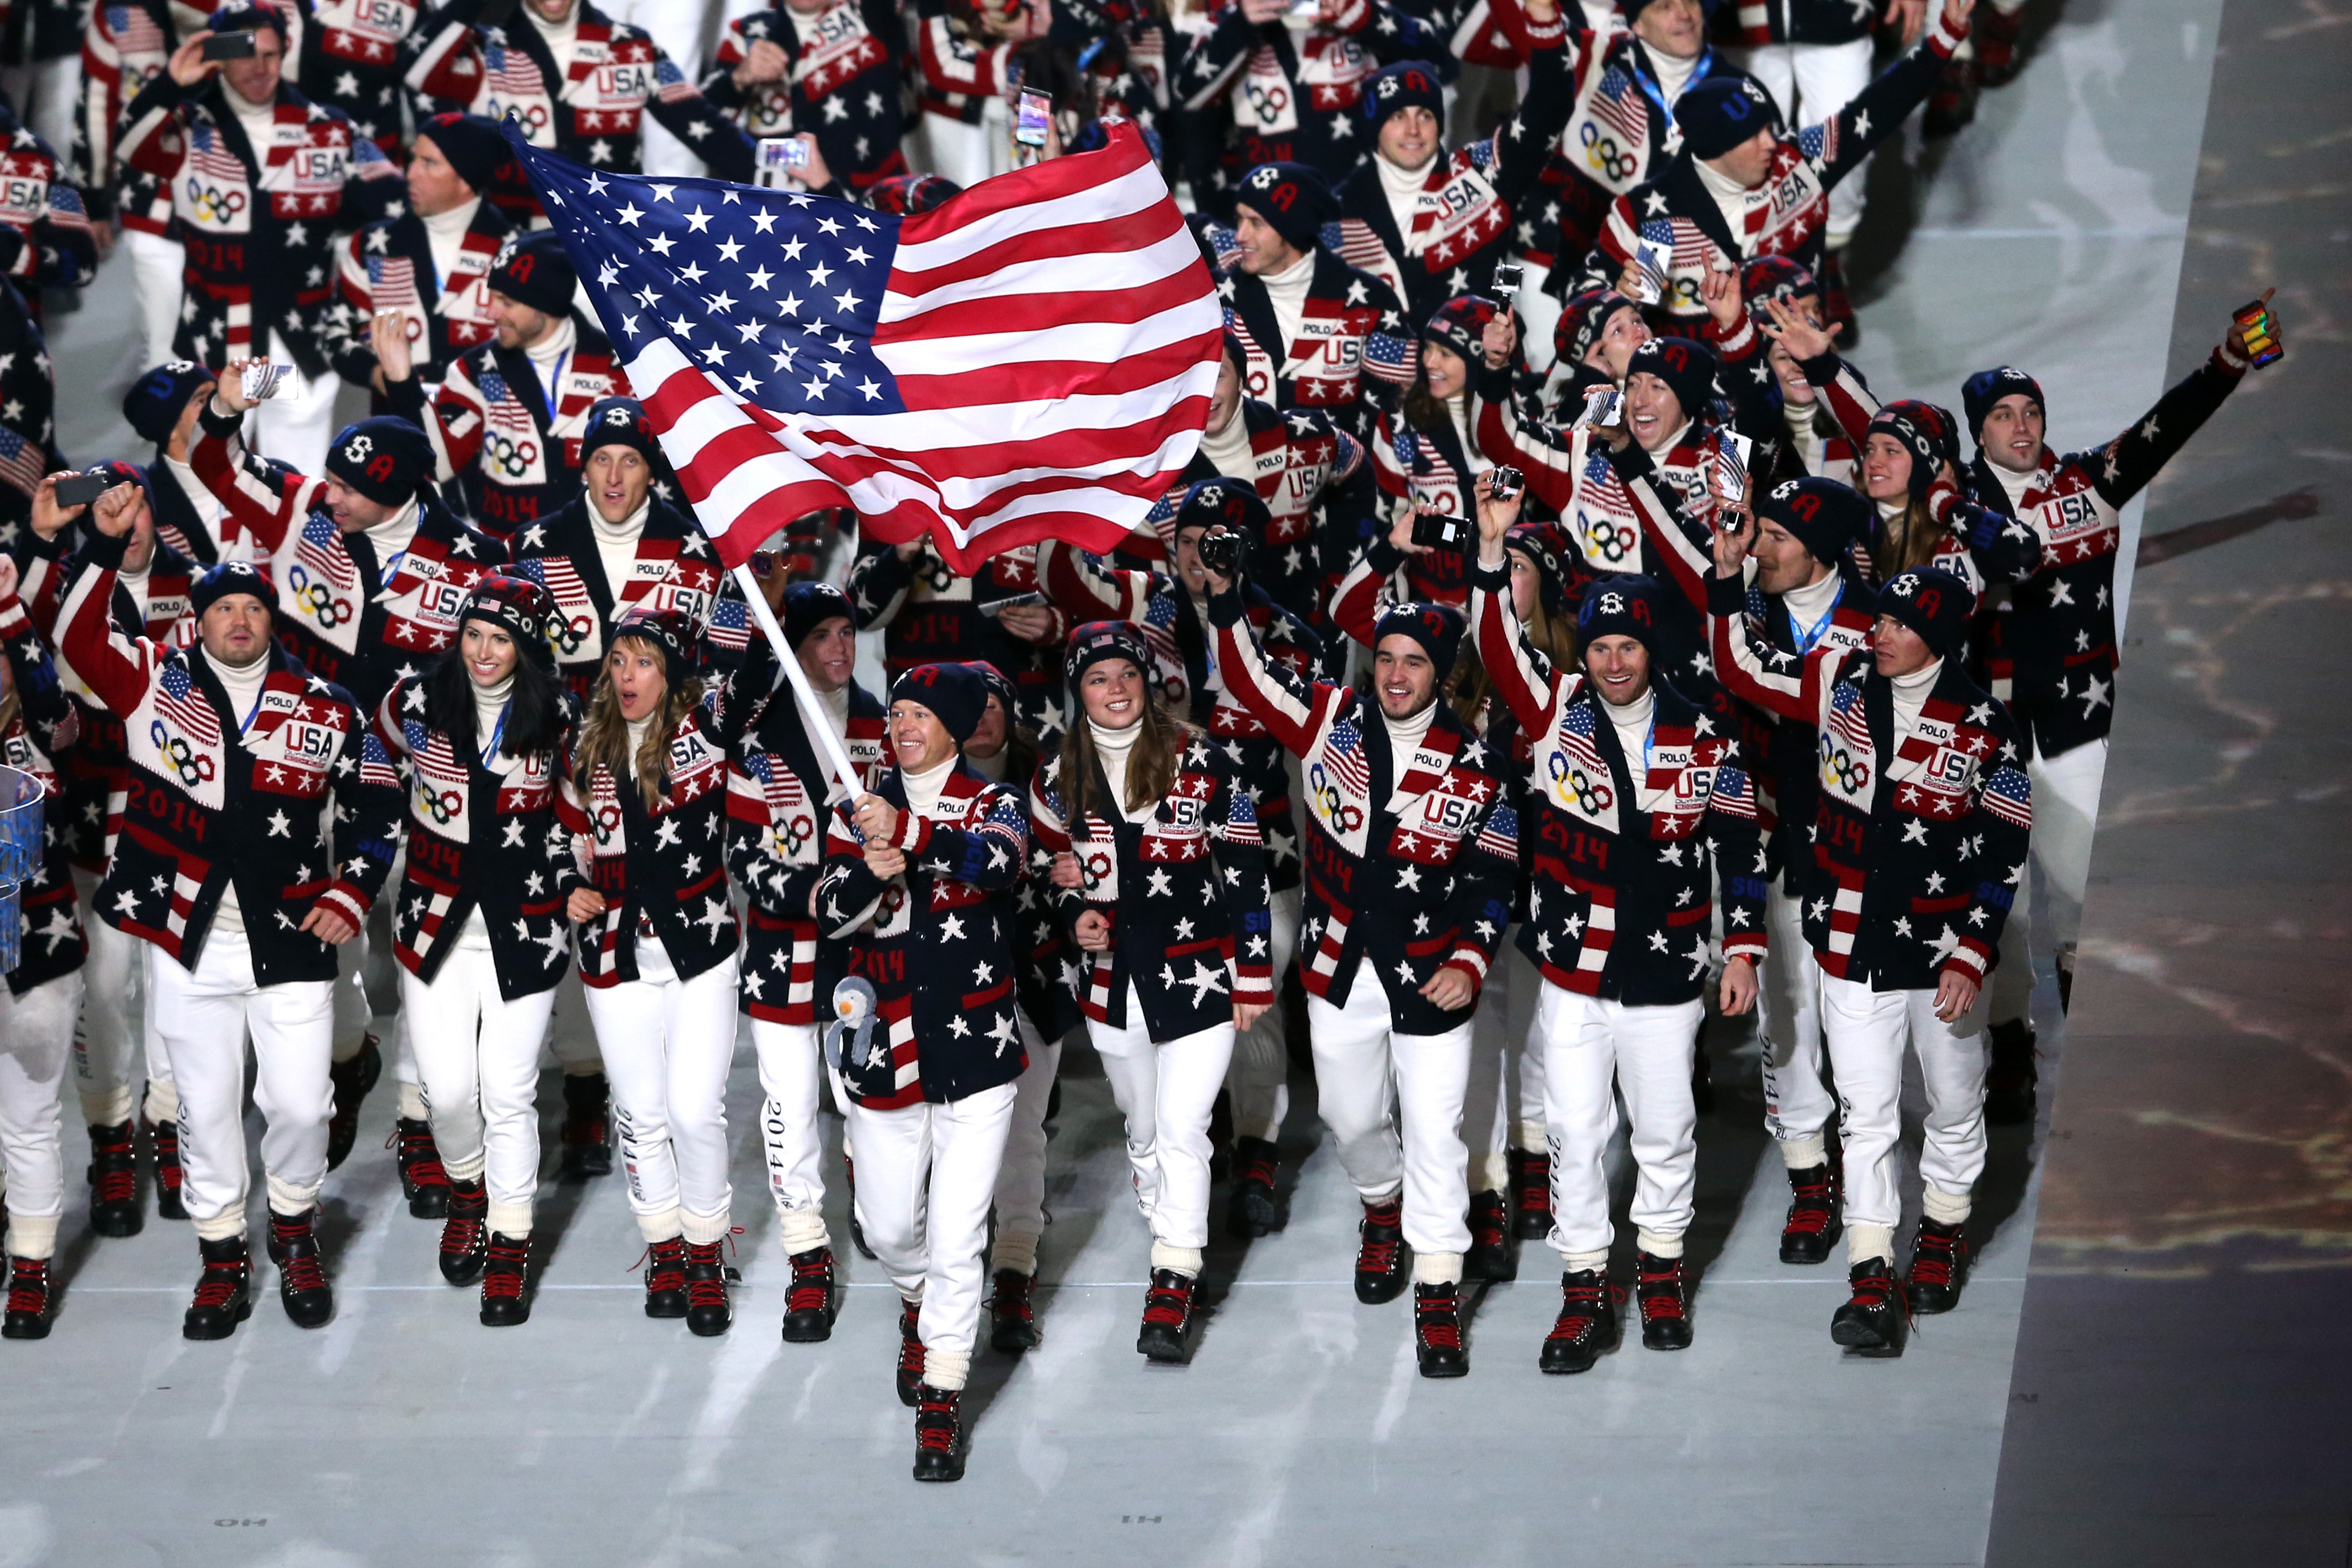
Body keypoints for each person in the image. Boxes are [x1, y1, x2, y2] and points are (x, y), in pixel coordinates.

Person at [58, 485, 401, 1341]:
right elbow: (73, 638)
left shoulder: (326, 705)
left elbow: (380, 808)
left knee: (299, 1106)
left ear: (270, 619)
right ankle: (221, 1257)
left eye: (253, 607)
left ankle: (293, 1229)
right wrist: (100, 551)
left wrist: (350, 889)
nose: (239, 620)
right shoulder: (151, 683)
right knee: (203, 1111)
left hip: (290, 941)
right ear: (200, 621)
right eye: (224, 608)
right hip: (186, 941)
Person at [191, 374, 511, 1214]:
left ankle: (414, 1113)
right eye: (329, 479)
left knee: (422, 946)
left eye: (347, 487)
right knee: (321, 926)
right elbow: (215, 460)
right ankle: (346, 1056)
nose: (325, 494)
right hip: (301, 779)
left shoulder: (475, 560)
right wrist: (230, 403)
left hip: (425, 785)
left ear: (396, 490)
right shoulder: (305, 512)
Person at [1466, 471, 1766, 1369]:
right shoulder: (1555, 710)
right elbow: (1495, 643)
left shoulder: (1706, 730)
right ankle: (1584, 1288)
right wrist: (1490, 552)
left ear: (1648, 647)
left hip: (1669, 973)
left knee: (1667, 1128)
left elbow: (1743, 845)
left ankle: (1664, 1271)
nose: (1612, 661)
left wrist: (1744, 946)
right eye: (1598, 647)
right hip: (1569, 973)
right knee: (1575, 1132)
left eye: (1627, 646)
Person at [1707, 532, 2032, 1356]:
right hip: (1846, 944)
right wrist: (1722, 578)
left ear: (1936, 634)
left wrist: (1970, 951)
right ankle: (1869, 1264)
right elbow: (1743, 669)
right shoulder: (1836, 686)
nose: (1875, 633)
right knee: (1867, 1114)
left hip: (1943, 957)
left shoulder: (1984, 729)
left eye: (1894, 623)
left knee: (1954, 1103)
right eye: (1876, 619)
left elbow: (2003, 854)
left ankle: (1943, 1231)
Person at [1209, 542, 1517, 1377]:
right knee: (1350, 1121)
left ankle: (1437, 1293)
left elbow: (1496, 877)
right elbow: (1248, 680)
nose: (1392, 673)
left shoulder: (1480, 766)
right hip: (1338, 968)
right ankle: (1380, 1208)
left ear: (1442, 672)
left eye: (1412, 661)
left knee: (1436, 1133)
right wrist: (1228, 590)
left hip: (1431, 977)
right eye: (1383, 657)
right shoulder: (1328, 720)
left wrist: (1471, 959)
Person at [1960, 304, 2269, 1044]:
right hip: (1982, 740)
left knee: (2086, 896)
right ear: (1977, 430)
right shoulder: (1948, 507)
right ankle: (2007, 1042)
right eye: (2002, 415)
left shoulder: (2088, 484)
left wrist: (2228, 358)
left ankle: (2090, 1043)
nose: (2021, 425)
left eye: (2030, 410)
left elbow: (2166, 426)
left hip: (2076, 728)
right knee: (1997, 908)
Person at [1037, 478, 1325, 1239]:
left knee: (1253, 1017)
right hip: (1138, 866)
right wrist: (1068, 473)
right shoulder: (1143, 605)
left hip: (1257, 848)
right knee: (1162, 1088)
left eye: (1219, 539)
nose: (1201, 553)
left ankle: (1257, 1152)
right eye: (1188, 539)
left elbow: (1302, 731)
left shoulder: (1285, 633)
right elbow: (1064, 575)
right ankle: (1194, 1147)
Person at [1034, 620, 1273, 1361]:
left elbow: (1243, 868)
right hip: (1111, 985)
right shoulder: (1053, 772)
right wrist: (1077, 915)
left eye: (1127, 675)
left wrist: (1253, 972)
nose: (1115, 690)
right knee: (1142, 1130)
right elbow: (1051, 873)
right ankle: (1167, 1220)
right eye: (1098, 678)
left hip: (1197, 970)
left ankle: (1173, 1273)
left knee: (1180, 1126)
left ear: (1148, 681)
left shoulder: (1201, 759)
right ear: (1078, 691)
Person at [815, 660, 1031, 1480]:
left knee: (953, 1238)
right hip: (884, 1050)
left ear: (952, 727)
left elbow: (997, 867)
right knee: (889, 1229)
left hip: (975, 1048)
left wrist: (910, 838)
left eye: (918, 714)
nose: (902, 725)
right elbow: (824, 914)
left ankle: (941, 1398)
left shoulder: (994, 803)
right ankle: (915, 1304)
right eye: (895, 711)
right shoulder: (860, 806)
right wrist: (866, 877)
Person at [373, 573, 584, 1326]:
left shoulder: (560, 714)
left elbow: (575, 813)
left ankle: (508, 1241)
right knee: (448, 1092)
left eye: (500, 639)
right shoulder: (416, 701)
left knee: (508, 1090)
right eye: (473, 635)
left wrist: (574, 882)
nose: (484, 651)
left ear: (525, 647)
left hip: (523, 927)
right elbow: (376, 759)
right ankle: (469, 1186)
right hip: (433, 924)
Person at [560, 606, 774, 1336]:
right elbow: (556, 836)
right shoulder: (584, 744)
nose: (627, 676)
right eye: (618, 661)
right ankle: (666, 1251)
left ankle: (708, 1252)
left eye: (644, 662)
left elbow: (748, 681)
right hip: (612, 956)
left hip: (699, 954)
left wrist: (748, 598)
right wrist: (569, 885)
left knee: (693, 1111)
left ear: (673, 672)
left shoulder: (703, 734)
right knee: (642, 1114)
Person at [18, 466, 199, 1235]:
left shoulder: (196, 584)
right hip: (91, 828)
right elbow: (18, 622)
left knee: (176, 995)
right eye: (110, 510)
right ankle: (111, 1136)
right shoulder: (61, 588)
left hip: (177, 824)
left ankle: (171, 1129)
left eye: (135, 506)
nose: (127, 521)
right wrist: (45, 536)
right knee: (104, 989)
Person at [113, 2, 405, 475]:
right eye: (245, 54)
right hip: (216, 342)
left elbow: (398, 207)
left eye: (271, 54)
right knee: (215, 478)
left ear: (286, 53)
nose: (259, 67)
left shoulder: (328, 128)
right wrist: (171, 84)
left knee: (295, 479)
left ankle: (294, 555)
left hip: (298, 342)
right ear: (219, 58)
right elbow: (129, 147)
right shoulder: (188, 126)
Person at [1568, 0, 1972, 328]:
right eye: (1752, 135)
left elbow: (1877, 109)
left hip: (1785, 362)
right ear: (1712, 148)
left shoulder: (1794, 165)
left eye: (1767, 129)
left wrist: (1943, 41)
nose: (1773, 143)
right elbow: (1620, 324)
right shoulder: (1657, 219)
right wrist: (1626, 301)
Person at [725, 580, 886, 1343]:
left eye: (846, 633)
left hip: (865, 952)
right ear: (791, 646)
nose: (839, 649)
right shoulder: (758, 742)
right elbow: (745, 859)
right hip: (783, 954)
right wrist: (826, 890)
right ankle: (806, 1256)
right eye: (820, 636)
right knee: (788, 1108)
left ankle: (872, 1200)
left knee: (859, 1097)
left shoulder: (886, 731)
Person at [963, 660, 1079, 1353]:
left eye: (991, 705)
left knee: (1023, 1128)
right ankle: (944, 1265)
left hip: (1034, 976)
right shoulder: (913, 787)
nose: (980, 718)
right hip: (944, 989)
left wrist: (1073, 872)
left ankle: (1013, 1267)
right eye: (964, 707)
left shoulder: (1054, 782)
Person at [384, 230, 630, 540]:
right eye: (492, 297)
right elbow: (437, 463)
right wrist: (402, 381)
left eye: (506, 302)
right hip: (509, 569)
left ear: (546, 305)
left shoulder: (620, 372)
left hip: (602, 558)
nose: (491, 312)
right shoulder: (478, 372)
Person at [1330, 14, 1573, 324]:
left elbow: (1551, 104)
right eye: (1397, 117)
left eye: (1425, 116)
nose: (1413, 130)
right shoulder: (1339, 211)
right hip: (1390, 368)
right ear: (1374, 130)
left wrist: (1544, 22)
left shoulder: (1483, 170)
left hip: (1486, 364)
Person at [0, 553, 88, 1338]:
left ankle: (31, 1267)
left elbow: (51, 701)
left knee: (28, 1118)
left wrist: (11, 612)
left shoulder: (46, 732)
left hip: (39, 951)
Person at [407, 0, 757, 196]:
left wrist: (798, 186)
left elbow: (712, 134)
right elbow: (418, 73)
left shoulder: (632, 48)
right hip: (513, 254)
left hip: (607, 243)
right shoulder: (486, 49)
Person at [503, 397, 730, 697]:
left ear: (651, 474)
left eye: (630, 461)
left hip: (664, 741)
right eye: (602, 459)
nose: (614, 477)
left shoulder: (707, 558)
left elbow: (728, 673)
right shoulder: (528, 548)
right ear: (585, 470)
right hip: (556, 738)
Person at [1726, 0, 1926, 333]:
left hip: (1836, 10)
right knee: (1735, 150)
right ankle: (1746, 272)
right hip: (1734, 16)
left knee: (1845, 145)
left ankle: (1826, 256)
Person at [324, 113, 517, 401]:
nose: (411, 174)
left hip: (490, 432)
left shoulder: (515, 254)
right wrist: (384, 375)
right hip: (397, 432)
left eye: (429, 163)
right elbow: (340, 335)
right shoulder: (372, 246)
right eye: (413, 159)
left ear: (465, 179)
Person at [1218, 160, 1414, 443]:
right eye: (1240, 220)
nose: (1240, 235)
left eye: (1256, 223)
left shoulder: (1371, 301)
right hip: (1238, 479)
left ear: (1293, 230)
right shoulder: (1215, 297)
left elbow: (1398, 407)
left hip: (1341, 477)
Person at [1173, 0, 1452, 186]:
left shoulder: (1364, 8)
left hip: (1367, 194)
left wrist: (1362, 15)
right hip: (1274, 203)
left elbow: (1434, 58)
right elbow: (1187, 93)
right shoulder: (1232, 17)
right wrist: (1240, 24)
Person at [702, 0, 910, 195]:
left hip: (869, 198)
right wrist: (739, 78)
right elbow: (697, 120)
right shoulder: (748, 32)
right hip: (777, 205)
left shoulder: (868, 13)